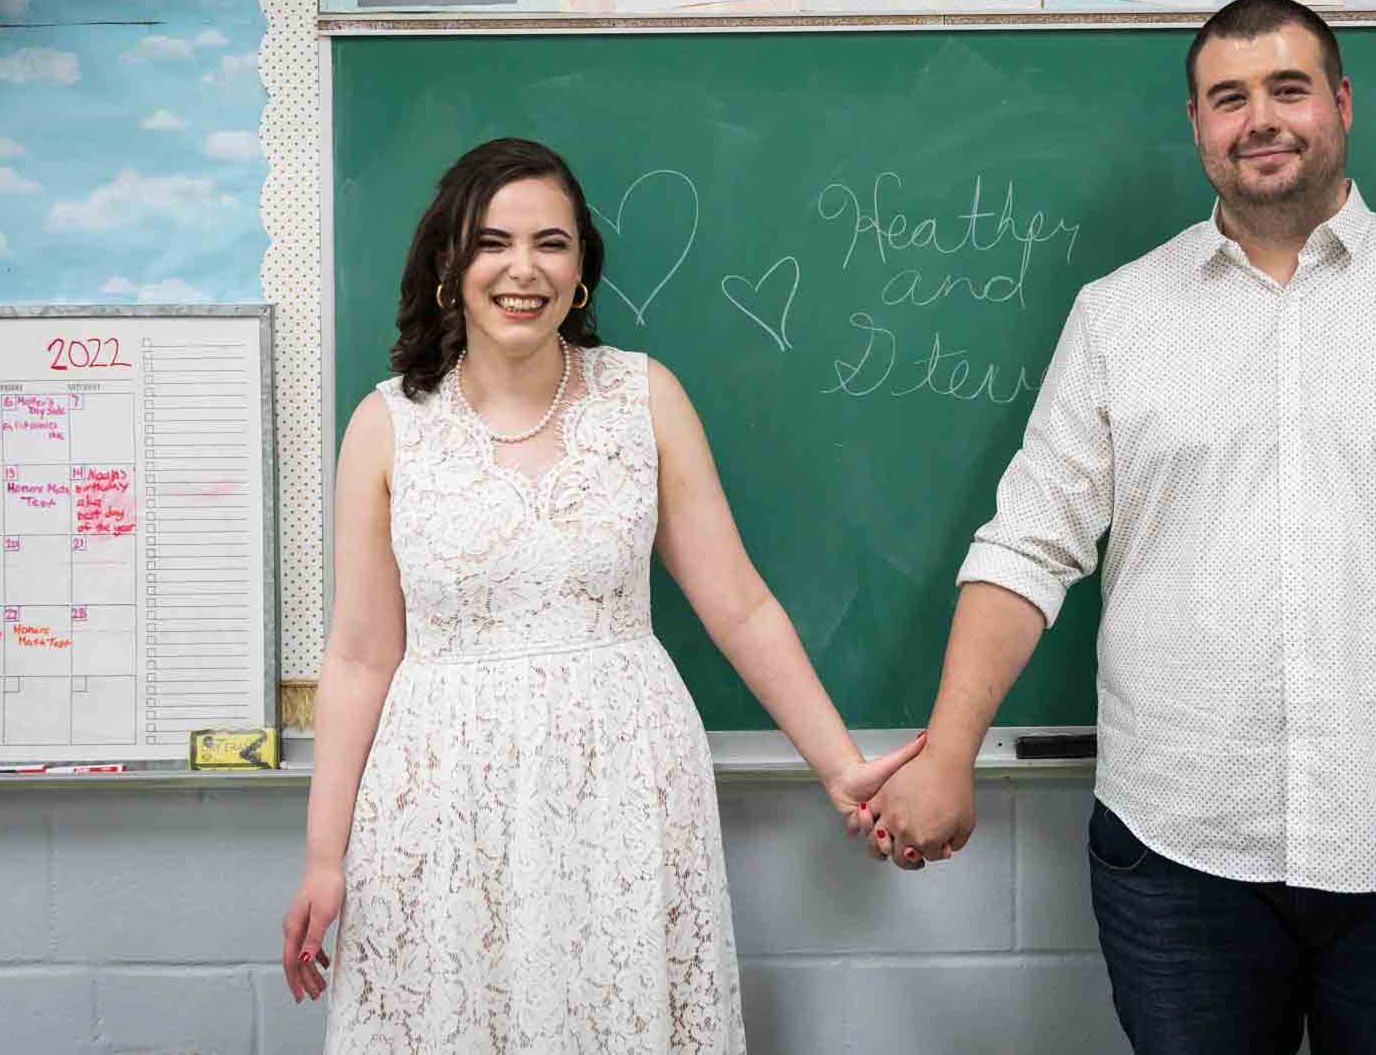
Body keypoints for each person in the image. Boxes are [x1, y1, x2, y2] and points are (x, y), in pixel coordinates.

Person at [863, 0, 1376, 1054]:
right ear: (1196, 125)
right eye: (1226, 97)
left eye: (1287, 88)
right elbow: (1029, 540)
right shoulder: (1118, 314)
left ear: (1339, 103)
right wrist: (947, 749)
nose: (1260, 119)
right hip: (1176, 850)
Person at [280, 138, 918, 1053]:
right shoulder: (387, 427)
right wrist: (322, 855)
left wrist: (839, 764)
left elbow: (738, 604)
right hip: (441, 794)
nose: (522, 269)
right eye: (492, 242)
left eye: (552, 243)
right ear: (447, 265)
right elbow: (358, 655)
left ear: (581, 270)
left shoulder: (643, 397)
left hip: (620, 779)